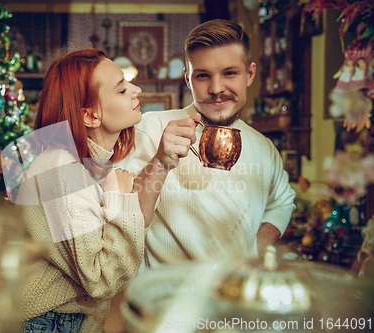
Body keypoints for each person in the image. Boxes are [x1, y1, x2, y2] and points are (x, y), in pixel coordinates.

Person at [117, 19, 296, 268]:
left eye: (229, 73)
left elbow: (283, 202)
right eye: (203, 76)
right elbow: (124, 224)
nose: (216, 88)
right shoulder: (152, 128)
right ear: (188, 79)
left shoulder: (264, 147)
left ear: (250, 74)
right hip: (167, 303)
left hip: (233, 299)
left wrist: (254, 249)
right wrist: (159, 163)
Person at [16, 48, 146, 333]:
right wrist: (121, 199)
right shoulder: (63, 166)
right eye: (122, 90)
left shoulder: (82, 163)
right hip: (51, 322)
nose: (136, 90)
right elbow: (101, 280)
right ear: (90, 115)